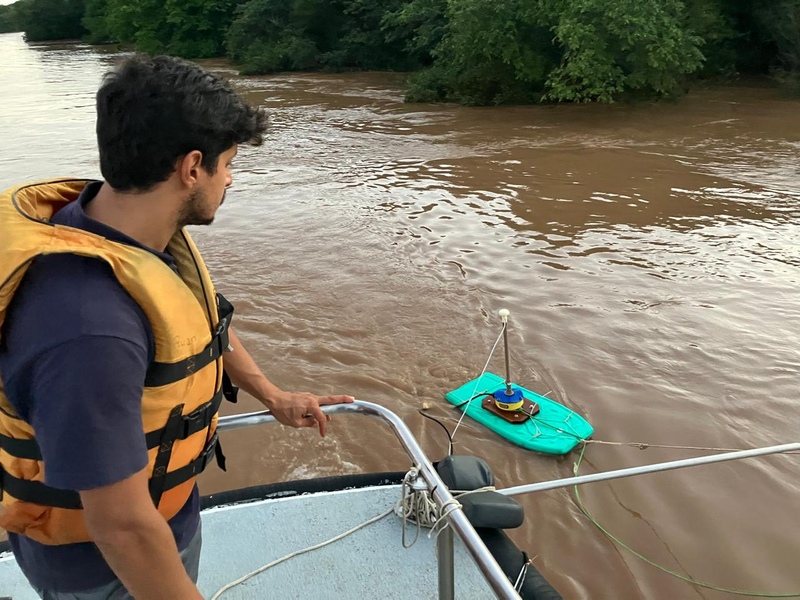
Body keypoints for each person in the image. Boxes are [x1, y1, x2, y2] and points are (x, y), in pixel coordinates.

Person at [0, 54, 354, 599]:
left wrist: (271, 394)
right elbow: (120, 526)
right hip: (100, 573)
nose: (230, 180)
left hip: (169, 518)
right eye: (228, 164)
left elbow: (205, 321)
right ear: (192, 167)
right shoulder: (88, 329)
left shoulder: (117, 227)